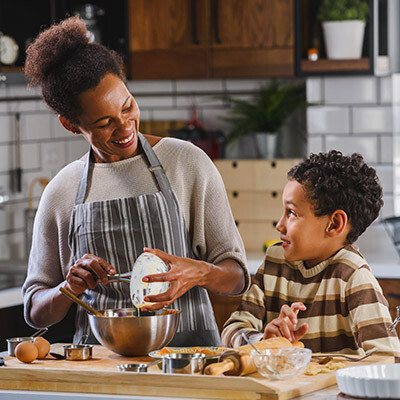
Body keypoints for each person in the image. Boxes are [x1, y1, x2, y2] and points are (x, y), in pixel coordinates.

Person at [22, 16, 249, 346]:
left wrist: (200, 272)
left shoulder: (186, 162)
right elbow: (35, 311)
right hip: (100, 370)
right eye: (104, 123)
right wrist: (67, 289)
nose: (126, 127)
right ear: (71, 125)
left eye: (128, 106)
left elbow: (238, 277)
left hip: (187, 364)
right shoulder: (63, 190)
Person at [222, 150, 400, 358]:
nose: (279, 225)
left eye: (291, 213)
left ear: (334, 224)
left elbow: (388, 357)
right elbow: (232, 329)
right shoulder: (275, 261)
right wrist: (262, 340)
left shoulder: (353, 276)